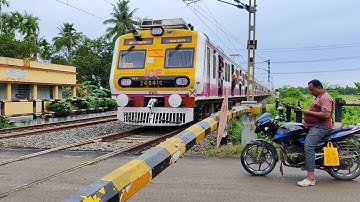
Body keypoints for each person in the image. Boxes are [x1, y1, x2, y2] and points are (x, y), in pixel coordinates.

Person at [297, 79, 334, 187]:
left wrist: (309, 112)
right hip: (315, 125)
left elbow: (327, 115)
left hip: (321, 127)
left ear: (318, 88)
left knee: (308, 146)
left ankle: (311, 178)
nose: (310, 92)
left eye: (311, 89)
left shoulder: (325, 98)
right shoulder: (319, 97)